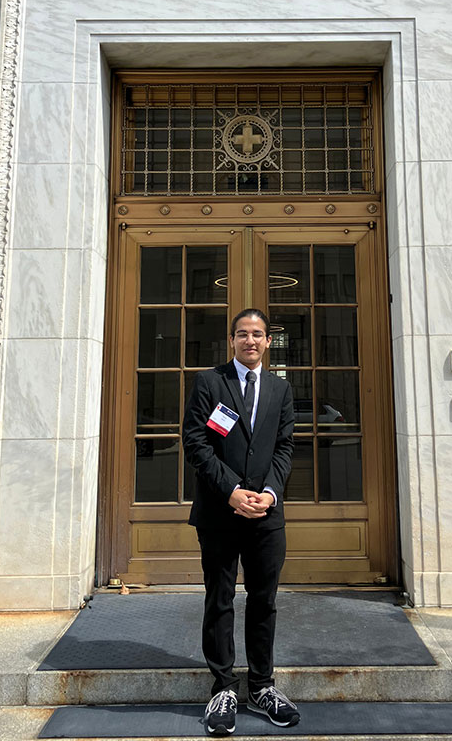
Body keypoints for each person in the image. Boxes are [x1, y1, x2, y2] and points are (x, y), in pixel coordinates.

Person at [182, 308, 300, 736]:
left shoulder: (280, 389)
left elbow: (285, 447)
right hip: (219, 513)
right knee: (219, 599)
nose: (250, 341)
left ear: (268, 341)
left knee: (264, 601)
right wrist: (231, 490)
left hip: (266, 515)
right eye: (242, 334)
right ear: (231, 340)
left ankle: (263, 686)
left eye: (258, 335)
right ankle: (223, 688)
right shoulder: (210, 383)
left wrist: (268, 493)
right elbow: (196, 443)